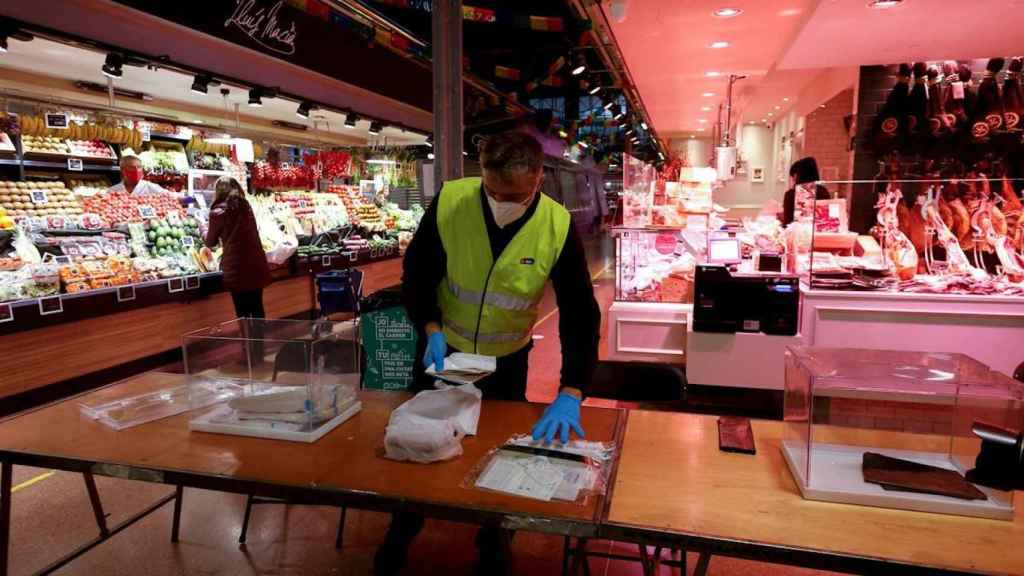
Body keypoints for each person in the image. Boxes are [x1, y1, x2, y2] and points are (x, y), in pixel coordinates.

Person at [377, 131, 601, 575]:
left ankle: (495, 533)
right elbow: (418, 272)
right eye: (494, 191)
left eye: (515, 195)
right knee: (419, 441)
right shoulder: (451, 202)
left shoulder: (557, 227)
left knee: (501, 452)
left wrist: (573, 388)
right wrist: (430, 326)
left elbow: (580, 312)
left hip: (507, 361)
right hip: (444, 355)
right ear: (482, 173)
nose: (502, 201)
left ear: (539, 178)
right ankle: (403, 528)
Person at [204, 176, 270, 322]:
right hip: (256, 265)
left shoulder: (217, 213)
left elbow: (210, 242)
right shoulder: (245, 206)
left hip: (237, 269)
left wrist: (202, 229)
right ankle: (259, 343)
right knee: (257, 306)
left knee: (242, 312)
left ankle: (247, 343)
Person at [781, 156, 832, 225]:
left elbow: (787, 223)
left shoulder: (791, 194)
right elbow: (828, 218)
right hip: (820, 233)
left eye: (793, 176)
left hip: (797, 233)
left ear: (797, 175)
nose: (793, 179)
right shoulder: (823, 191)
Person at [106, 155, 171, 196]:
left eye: (139, 167)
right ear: (123, 170)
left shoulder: (149, 186)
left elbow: (169, 195)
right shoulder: (113, 190)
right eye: (132, 167)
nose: (136, 170)